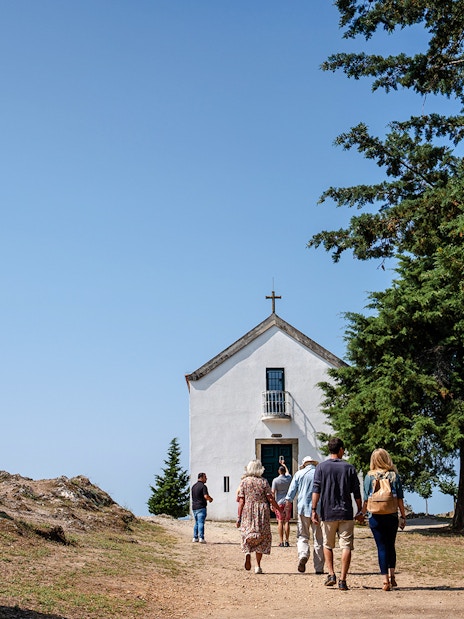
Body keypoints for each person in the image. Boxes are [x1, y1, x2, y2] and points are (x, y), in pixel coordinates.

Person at [311, 437, 364, 591]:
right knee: (346, 546)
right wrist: (360, 510)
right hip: (346, 512)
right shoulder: (349, 468)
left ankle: (331, 573)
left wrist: (314, 510)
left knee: (327, 545)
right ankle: (343, 580)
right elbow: (356, 492)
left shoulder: (321, 468)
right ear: (340, 449)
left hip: (328, 512)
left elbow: (316, 490)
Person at [362, 448, 407, 591]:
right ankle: (392, 576)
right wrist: (403, 515)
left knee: (381, 547)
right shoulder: (394, 476)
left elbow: (366, 499)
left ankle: (385, 581)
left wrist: (362, 514)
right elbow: (399, 498)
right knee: (390, 545)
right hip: (391, 515)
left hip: (375, 515)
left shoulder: (369, 476)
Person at [236, 459, 283, 574]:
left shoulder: (244, 482)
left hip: (248, 509)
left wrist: (239, 517)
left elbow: (241, 501)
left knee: (247, 532)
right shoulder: (263, 482)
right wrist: (278, 509)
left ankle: (247, 552)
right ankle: (258, 566)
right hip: (262, 510)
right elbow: (270, 498)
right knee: (261, 536)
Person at [284, 456, 324, 574]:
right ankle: (319, 568)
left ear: (304, 464)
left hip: (302, 508)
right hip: (318, 509)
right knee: (319, 539)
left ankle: (303, 554)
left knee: (302, 536)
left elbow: (291, 492)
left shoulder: (299, 474)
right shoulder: (320, 473)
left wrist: (287, 506)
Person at [271, 458, 292, 547]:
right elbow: (288, 472)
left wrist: (272, 504)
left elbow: (273, 492)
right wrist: (284, 465)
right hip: (287, 502)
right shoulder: (289, 478)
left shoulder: (275, 480)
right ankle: (287, 541)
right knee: (286, 521)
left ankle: (281, 541)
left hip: (279, 502)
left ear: (279, 471)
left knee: (280, 521)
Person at [191, 472, 213, 543]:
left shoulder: (193, 486)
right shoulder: (203, 486)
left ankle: (195, 537)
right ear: (202, 478)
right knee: (201, 522)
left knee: (196, 522)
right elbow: (205, 496)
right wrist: (210, 499)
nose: (206, 479)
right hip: (201, 506)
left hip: (194, 507)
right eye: (205, 477)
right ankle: (201, 537)